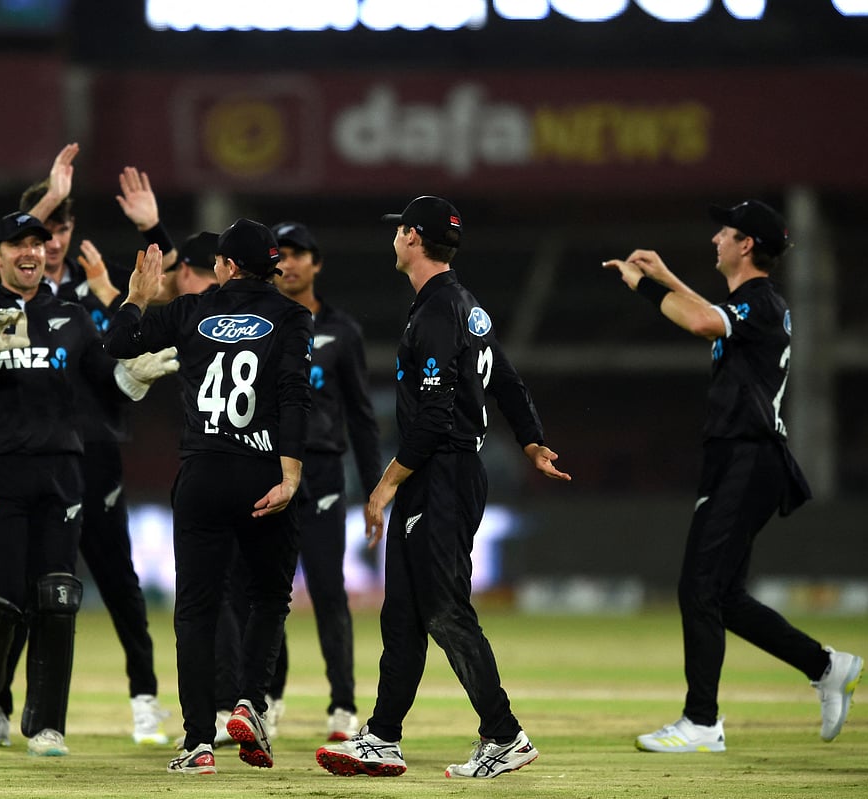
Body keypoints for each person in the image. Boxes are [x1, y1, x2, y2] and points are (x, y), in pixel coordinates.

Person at [316, 196, 571, 780]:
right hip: (445, 473)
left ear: (411, 238)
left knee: (444, 609)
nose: (395, 239)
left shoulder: (436, 311)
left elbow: (433, 418)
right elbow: (504, 378)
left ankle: (504, 734)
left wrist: (383, 488)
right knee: (404, 611)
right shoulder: (464, 306)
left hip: (443, 475)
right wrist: (531, 439)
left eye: (399, 230)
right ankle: (382, 736)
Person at [603, 199, 863, 753]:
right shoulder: (749, 304)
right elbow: (709, 316)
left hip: (750, 457)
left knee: (697, 587)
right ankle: (826, 666)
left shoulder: (762, 302)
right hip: (738, 458)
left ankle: (703, 723)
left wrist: (652, 283)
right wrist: (658, 279)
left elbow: (701, 321)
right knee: (722, 596)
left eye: (726, 230)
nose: (716, 237)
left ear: (747, 244)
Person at [0, 211, 178, 758]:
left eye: (38, 244)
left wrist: (131, 378)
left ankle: (46, 724)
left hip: (63, 471)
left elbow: (104, 379)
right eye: (18, 243)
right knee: (1, 596)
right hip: (0, 467)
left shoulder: (69, 316)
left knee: (56, 598)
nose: (31, 252)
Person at [103, 220, 313, 775]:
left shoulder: (194, 308)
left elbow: (117, 343)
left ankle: (198, 741)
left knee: (195, 610)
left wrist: (135, 298)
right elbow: (294, 397)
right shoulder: (292, 316)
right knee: (268, 599)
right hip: (262, 472)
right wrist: (290, 477)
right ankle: (250, 701)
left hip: (201, 475)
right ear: (273, 268)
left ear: (224, 266)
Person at [0, 147, 177, 746]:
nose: (55, 239)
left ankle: (145, 699)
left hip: (94, 452)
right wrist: (43, 201)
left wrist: (150, 228)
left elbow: (165, 287)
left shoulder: (96, 287)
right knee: (23, 590)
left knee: (119, 582)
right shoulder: (15, 289)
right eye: (46, 228)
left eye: (63, 227)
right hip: (34, 454)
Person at [214, 221, 381, 743]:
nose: (288, 262)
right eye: (279, 253)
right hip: (265, 468)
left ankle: (343, 706)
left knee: (328, 589)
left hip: (323, 474)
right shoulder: (256, 326)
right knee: (263, 587)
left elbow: (360, 415)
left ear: (317, 263)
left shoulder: (341, 331)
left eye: (298, 253)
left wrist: (376, 487)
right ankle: (267, 698)